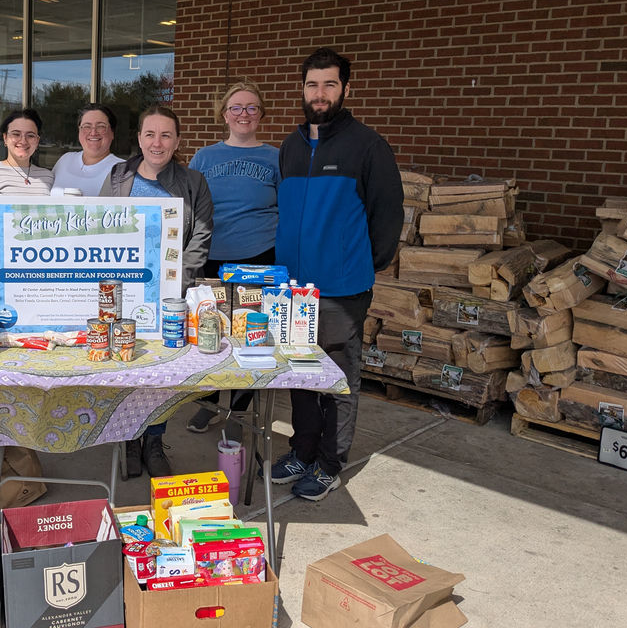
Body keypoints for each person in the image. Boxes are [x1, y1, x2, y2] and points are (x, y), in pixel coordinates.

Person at [270, 47, 403, 501]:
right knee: (300, 375)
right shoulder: (289, 146)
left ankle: (330, 463)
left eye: (329, 84)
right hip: (293, 288)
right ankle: (302, 451)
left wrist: (365, 263)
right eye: (312, 84)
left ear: (346, 88)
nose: (319, 93)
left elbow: (387, 214)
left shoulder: (367, 145)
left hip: (341, 287)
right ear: (302, 89)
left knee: (337, 378)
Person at [101, 105, 214, 477]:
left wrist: (174, 281)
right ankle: (127, 439)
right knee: (126, 365)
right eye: (150, 134)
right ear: (138, 138)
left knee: (162, 373)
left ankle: (153, 440)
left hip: (169, 294)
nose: (157, 142)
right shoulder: (118, 176)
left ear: (178, 141)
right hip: (121, 291)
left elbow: (200, 238)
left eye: (166, 135)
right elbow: (100, 227)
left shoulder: (193, 182)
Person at [185, 80, 280, 433]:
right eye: (236, 107)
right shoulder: (205, 157)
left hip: (258, 258)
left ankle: (240, 411)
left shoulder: (275, 157)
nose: (244, 114)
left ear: (261, 114)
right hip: (211, 259)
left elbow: (287, 207)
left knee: (250, 332)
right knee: (211, 328)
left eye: (252, 107)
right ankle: (207, 402)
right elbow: (190, 208)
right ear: (224, 114)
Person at [0, 109, 55, 196]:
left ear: (37, 141)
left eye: (30, 135)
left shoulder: (48, 177)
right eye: (16, 134)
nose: (23, 141)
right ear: (5, 138)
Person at [51, 103, 123, 196]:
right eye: (87, 126)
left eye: (101, 126)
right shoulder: (65, 160)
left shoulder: (121, 170)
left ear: (112, 132)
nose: (93, 133)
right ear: (79, 131)